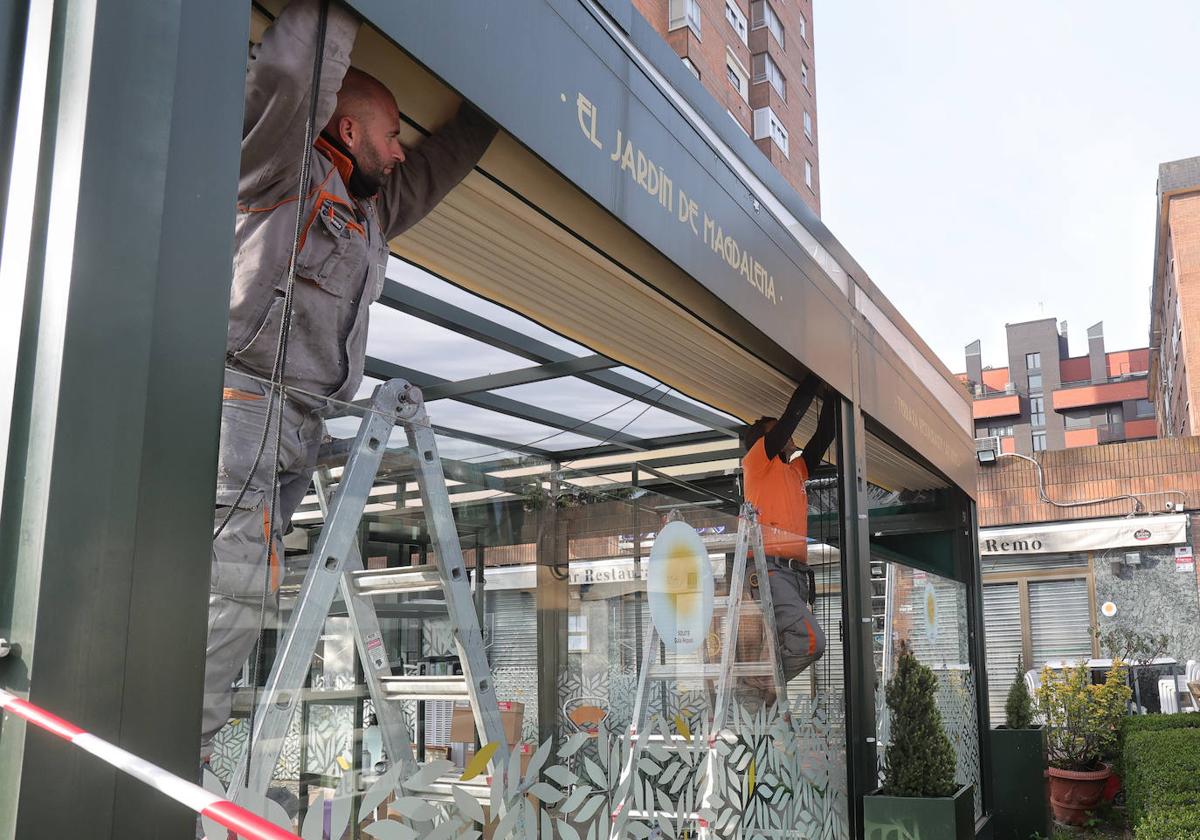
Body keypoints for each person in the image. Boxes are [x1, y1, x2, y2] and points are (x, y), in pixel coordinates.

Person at [202, 0, 497, 762]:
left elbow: (432, 174)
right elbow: (290, 83)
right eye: (392, 134)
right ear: (345, 130)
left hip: (300, 426)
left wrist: (492, 116)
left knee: (252, 589)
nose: (402, 151)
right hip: (246, 405)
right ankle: (180, 750)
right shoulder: (282, 173)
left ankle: (189, 728)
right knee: (232, 588)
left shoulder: (368, 214)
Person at [738, 374, 837, 694]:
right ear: (762, 440)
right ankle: (758, 685)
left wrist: (835, 395)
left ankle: (759, 684)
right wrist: (813, 379)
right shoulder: (756, 462)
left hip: (793, 575)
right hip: (769, 570)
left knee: (801, 640)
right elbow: (791, 419)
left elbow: (823, 436)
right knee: (810, 642)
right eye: (775, 428)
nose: (785, 431)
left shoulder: (794, 471)